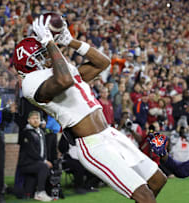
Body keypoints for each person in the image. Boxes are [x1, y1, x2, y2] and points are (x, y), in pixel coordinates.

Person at [12, 15, 166, 203]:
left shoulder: (60, 69)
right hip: (92, 144)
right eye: (41, 55)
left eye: (45, 52)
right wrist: (49, 42)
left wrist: (70, 42)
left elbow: (103, 63)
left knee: (158, 180)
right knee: (146, 196)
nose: (46, 56)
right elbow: (64, 80)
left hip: (109, 133)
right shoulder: (31, 83)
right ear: (29, 64)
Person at [17, 111, 53, 202]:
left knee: (27, 193)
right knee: (44, 167)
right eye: (33, 118)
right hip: (26, 164)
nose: (35, 120)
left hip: (36, 163)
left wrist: (44, 159)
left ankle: (5, 189)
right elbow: (30, 151)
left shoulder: (41, 132)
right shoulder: (26, 132)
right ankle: (40, 192)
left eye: (37, 118)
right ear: (28, 120)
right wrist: (44, 161)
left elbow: (44, 149)